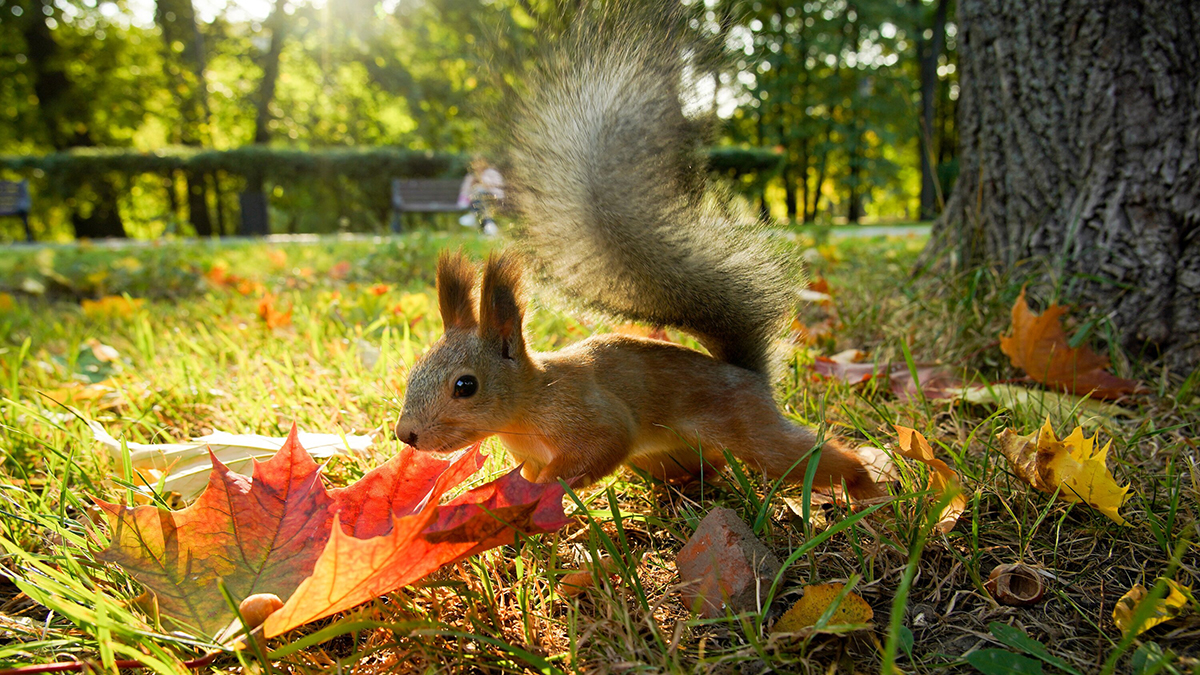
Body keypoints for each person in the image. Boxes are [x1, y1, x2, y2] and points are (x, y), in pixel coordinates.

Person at [457, 158, 505, 236]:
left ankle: (473, 214)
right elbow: (465, 190)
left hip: (493, 198)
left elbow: (495, 186)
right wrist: (472, 184)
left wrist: (480, 181)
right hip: (479, 201)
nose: (477, 166)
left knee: (480, 195)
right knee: (480, 200)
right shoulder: (471, 176)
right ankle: (489, 225)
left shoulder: (491, 173)